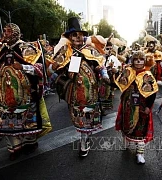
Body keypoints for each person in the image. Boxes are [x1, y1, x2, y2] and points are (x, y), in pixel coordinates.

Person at [51, 17, 110, 157]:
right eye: (74, 35)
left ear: (84, 36)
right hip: (75, 94)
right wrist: (59, 79)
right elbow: (54, 70)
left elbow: (100, 66)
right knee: (80, 119)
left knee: (88, 117)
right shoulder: (65, 51)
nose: (78, 37)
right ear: (69, 37)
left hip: (91, 93)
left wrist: (105, 75)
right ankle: (84, 139)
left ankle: (85, 139)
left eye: (80, 34)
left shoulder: (90, 50)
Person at [0, 23, 51, 160]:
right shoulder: (1, 50)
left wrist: (23, 67)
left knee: (26, 120)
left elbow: (39, 68)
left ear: (15, 33)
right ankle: (15, 148)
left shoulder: (26, 48)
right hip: (5, 94)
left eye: (8, 31)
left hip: (25, 94)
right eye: (4, 31)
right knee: (7, 122)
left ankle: (29, 144)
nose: (5, 34)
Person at [114, 50, 158, 164]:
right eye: (136, 59)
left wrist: (148, 106)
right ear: (132, 61)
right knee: (126, 124)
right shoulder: (127, 71)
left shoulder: (147, 75)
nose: (138, 61)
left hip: (142, 107)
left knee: (141, 129)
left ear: (144, 61)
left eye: (141, 59)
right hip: (127, 106)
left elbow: (153, 93)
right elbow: (118, 84)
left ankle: (140, 153)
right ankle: (126, 141)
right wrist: (111, 73)